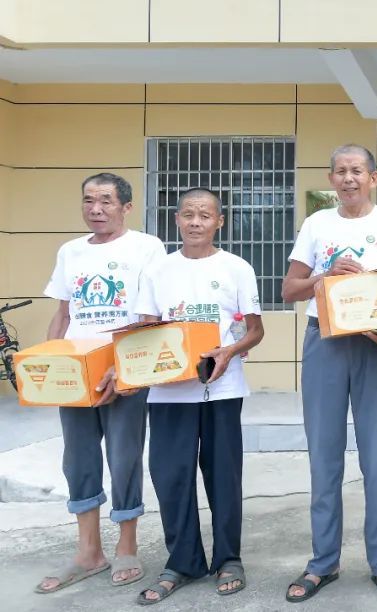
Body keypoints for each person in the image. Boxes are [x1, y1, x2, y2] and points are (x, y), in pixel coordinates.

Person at [282, 144, 377, 604]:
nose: (348, 179)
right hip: (325, 340)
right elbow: (290, 289)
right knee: (324, 456)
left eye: (357, 171)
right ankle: (323, 561)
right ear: (331, 179)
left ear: (374, 177)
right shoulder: (317, 225)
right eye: (340, 171)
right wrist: (325, 274)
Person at [132, 188, 264, 604]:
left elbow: (255, 330)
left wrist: (229, 351)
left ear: (218, 222)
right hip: (169, 394)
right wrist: (149, 363)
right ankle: (182, 561)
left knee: (224, 475)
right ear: (176, 219)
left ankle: (229, 558)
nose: (195, 222)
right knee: (172, 479)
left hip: (221, 388)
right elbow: (145, 329)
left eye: (204, 215)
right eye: (188, 214)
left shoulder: (236, 268)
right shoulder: (157, 271)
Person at [35, 173, 166, 594]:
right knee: (78, 458)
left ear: (126, 207)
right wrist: (51, 363)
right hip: (76, 370)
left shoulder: (147, 247)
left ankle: (127, 546)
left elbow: (151, 317)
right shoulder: (70, 251)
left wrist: (128, 370)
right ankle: (89, 552)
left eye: (107, 201)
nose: (96, 209)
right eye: (89, 200)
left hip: (122, 368)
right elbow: (64, 312)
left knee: (124, 457)